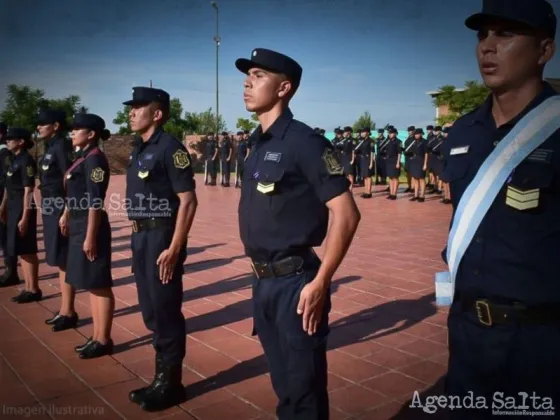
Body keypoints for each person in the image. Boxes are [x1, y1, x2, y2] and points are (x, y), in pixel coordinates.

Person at [442, 0, 560, 418]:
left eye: (505, 34)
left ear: (544, 50)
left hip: (539, 343)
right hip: (467, 334)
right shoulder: (462, 130)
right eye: (482, 35)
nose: (487, 47)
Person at [235, 48, 361, 420]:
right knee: (284, 386)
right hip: (262, 281)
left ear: (284, 87)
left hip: (296, 282)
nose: (247, 82)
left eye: (258, 75)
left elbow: (347, 214)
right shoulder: (256, 144)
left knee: (303, 390)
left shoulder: (305, 142)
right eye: (247, 75)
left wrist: (322, 281)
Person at [124, 86, 197, 411]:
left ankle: (171, 384)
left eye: (139, 107)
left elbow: (188, 201)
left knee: (166, 311)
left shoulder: (170, 148)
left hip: (161, 239)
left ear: (157, 113)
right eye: (131, 107)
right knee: (151, 310)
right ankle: (160, 378)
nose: (131, 112)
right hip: (141, 237)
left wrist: (175, 246)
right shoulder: (138, 148)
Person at [61, 113, 114, 358]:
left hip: (91, 224)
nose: (72, 133)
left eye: (77, 129)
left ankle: (103, 339)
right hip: (80, 222)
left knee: (98, 282)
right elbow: (76, 194)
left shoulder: (94, 160)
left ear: (91, 134)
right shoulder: (82, 158)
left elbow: (95, 200)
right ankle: (95, 336)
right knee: (90, 282)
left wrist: (90, 236)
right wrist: (67, 214)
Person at [37, 109, 77, 331]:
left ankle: (69, 311)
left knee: (63, 258)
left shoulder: (61, 146)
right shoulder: (50, 147)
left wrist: (67, 211)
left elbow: (69, 178)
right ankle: (65, 309)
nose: (39, 127)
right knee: (59, 258)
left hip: (59, 207)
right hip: (50, 206)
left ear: (56, 125)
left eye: (43, 123)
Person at [0, 128, 40, 303]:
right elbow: (8, 187)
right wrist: (2, 206)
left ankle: (34, 288)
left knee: (27, 250)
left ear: (21, 142)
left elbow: (28, 190)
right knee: (20, 250)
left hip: (23, 208)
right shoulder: (14, 160)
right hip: (12, 207)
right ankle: (28, 287)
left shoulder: (26, 161)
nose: (7, 141)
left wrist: (25, 216)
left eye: (11, 139)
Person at [0, 122, 20, 288]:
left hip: (3, 197)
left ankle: (10, 271)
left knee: (5, 236)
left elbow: (7, 179)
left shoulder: (5, 153)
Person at [408, 128, 428, 202]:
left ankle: (422, 195)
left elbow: (426, 153)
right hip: (414, 161)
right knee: (415, 178)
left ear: (421, 134)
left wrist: (425, 164)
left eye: (418, 134)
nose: (416, 135)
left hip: (421, 161)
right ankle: (416, 195)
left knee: (421, 178)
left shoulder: (424, 142)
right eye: (415, 134)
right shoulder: (414, 142)